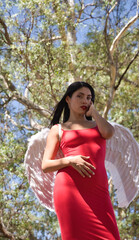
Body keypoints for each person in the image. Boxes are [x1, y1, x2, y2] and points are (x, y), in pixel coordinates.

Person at [42, 81, 121, 240]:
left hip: (99, 192)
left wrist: (95, 113)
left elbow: (109, 132)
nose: (85, 101)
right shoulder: (57, 129)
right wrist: (70, 160)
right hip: (69, 191)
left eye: (89, 97)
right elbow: (46, 165)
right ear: (68, 99)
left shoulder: (98, 125)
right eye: (80, 96)